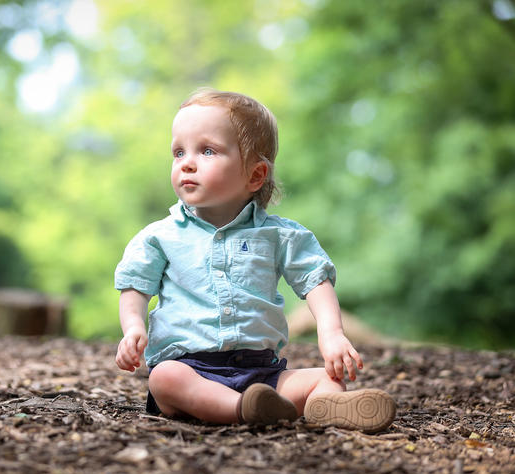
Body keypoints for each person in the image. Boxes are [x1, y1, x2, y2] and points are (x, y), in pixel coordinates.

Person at [114, 88, 396, 433]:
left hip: (263, 372)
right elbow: (135, 287)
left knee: (326, 377)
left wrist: (332, 334)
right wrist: (134, 328)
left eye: (207, 150)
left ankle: (325, 405)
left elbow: (314, 280)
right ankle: (243, 409)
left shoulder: (279, 235)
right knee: (164, 378)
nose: (186, 162)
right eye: (178, 152)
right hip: (190, 368)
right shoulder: (160, 236)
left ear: (255, 175)